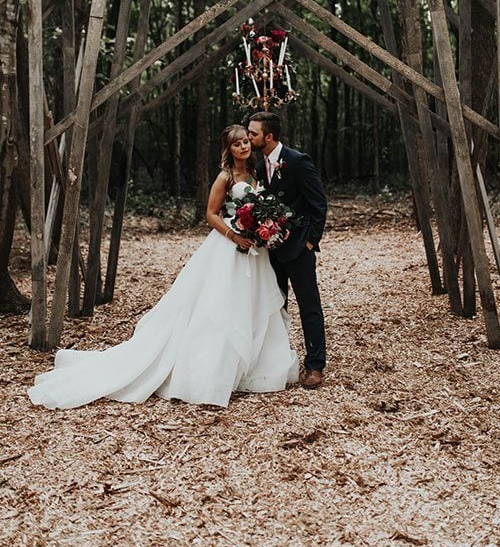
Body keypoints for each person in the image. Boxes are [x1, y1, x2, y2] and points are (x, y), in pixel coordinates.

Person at [28, 125, 298, 410]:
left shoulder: (255, 174)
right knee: (220, 304)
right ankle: (210, 371)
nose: (244, 147)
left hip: (253, 249)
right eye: (237, 144)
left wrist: (260, 228)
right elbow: (210, 213)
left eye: (245, 142)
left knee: (251, 303)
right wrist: (234, 236)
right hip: (229, 245)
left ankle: (252, 367)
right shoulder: (225, 177)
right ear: (228, 150)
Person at [248, 112, 327, 389]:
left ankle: (315, 365)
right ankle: (279, 362)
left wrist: (310, 241)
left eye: (253, 133)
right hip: (271, 251)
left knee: (309, 306)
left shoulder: (297, 161)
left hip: (299, 248)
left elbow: (318, 203)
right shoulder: (259, 168)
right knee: (275, 306)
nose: (249, 138)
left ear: (268, 136)